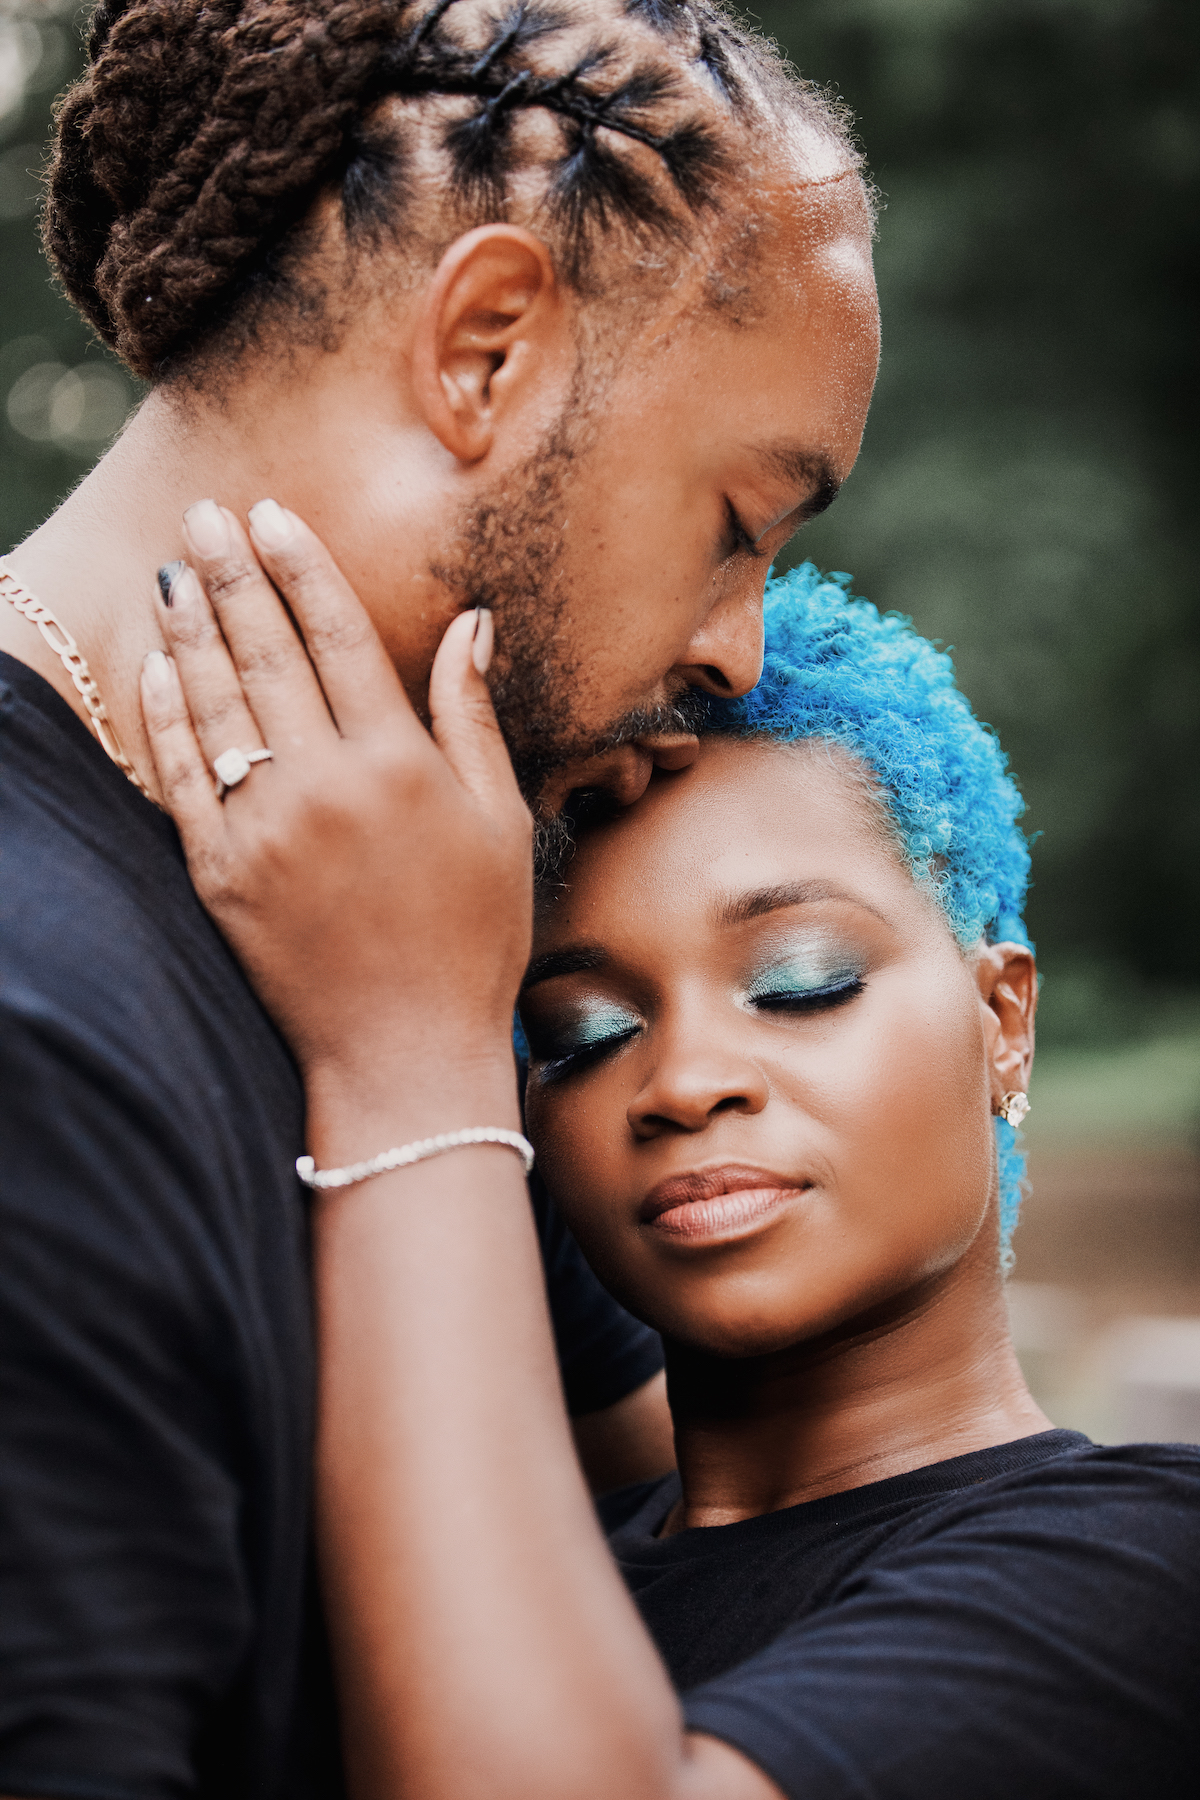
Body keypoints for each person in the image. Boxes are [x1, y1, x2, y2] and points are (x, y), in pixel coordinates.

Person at [0, 2, 880, 1795]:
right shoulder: (38, 1052)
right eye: (738, 521)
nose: (737, 651)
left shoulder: (395, 932)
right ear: (485, 348)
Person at [140, 556, 1200, 1799]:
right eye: (581, 1033)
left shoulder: (1144, 1563)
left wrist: (406, 1060)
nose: (687, 1082)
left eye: (802, 980)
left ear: (1003, 1019)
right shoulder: (517, 1573)